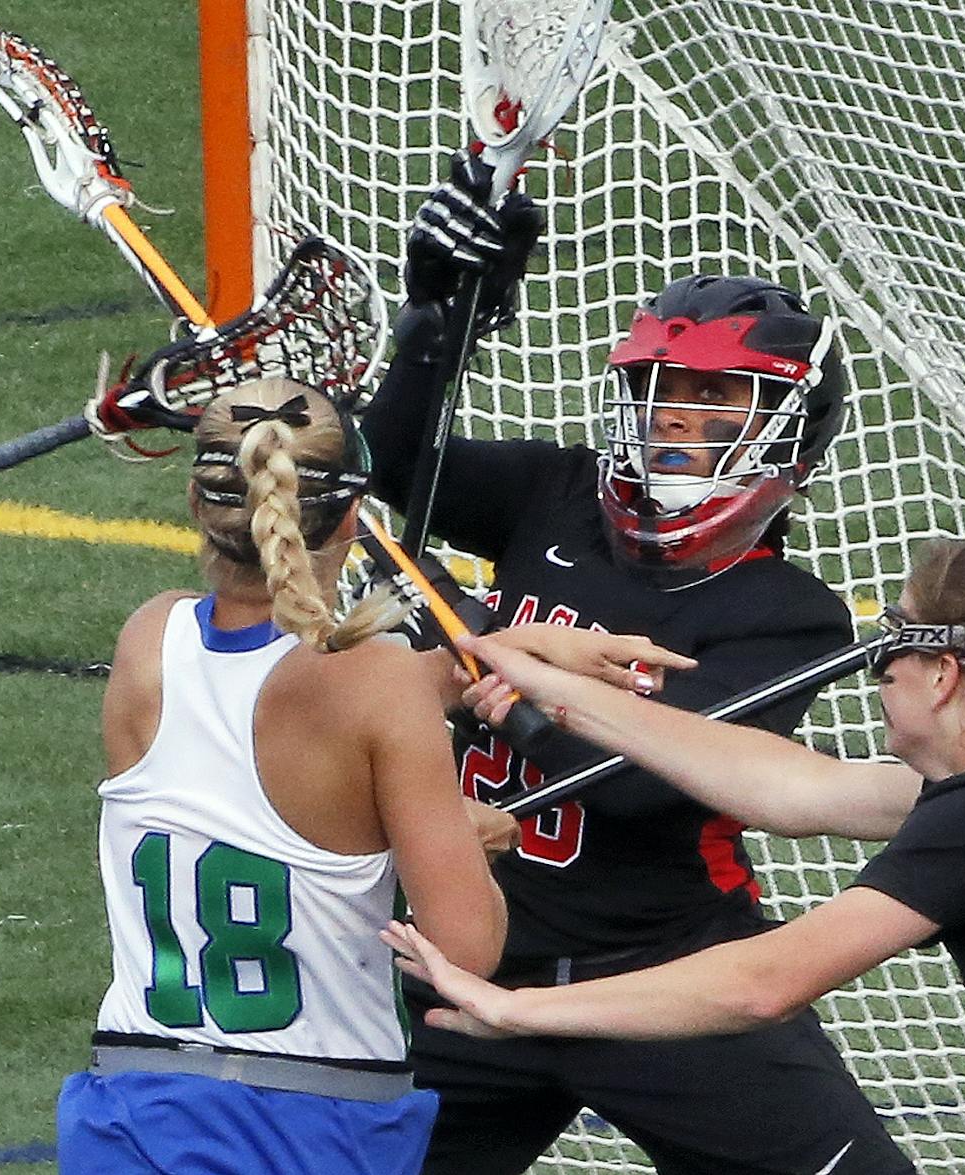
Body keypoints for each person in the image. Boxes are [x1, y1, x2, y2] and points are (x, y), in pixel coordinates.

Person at [361, 152, 916, 1174]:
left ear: (783, 431)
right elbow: (388, 462)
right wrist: (437, 322)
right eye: (661, 392)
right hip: (465, 953)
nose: (673, 417)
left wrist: (490, 650)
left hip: (665, 980)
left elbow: (636, 793)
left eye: (713, 398)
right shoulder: (555, 492)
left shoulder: (785, 614)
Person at [391, 539, 965, 1174]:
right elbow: (787, 787)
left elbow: (761, 983)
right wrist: (543, 679)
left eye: (889, 651)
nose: (876, 677)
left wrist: (514, 1010)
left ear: (941, 674)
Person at [55, 377, 510, 1175]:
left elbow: (259, 714)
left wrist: (519, 655)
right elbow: (466, 952)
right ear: (351, 517)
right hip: (312, 1125)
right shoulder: (382, 685)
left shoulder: (147, 640)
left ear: (202, 504)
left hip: (128, 1109)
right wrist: (456, 839)